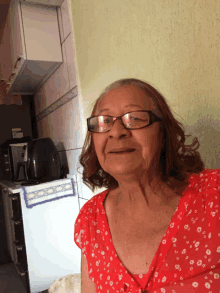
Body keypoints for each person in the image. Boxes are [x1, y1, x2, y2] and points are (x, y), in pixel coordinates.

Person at [74, 78, 220, 293]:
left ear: (163, 133)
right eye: (104, 121)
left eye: (134, 118)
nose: (116, 132)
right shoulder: (90, 219)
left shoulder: (214, 194)